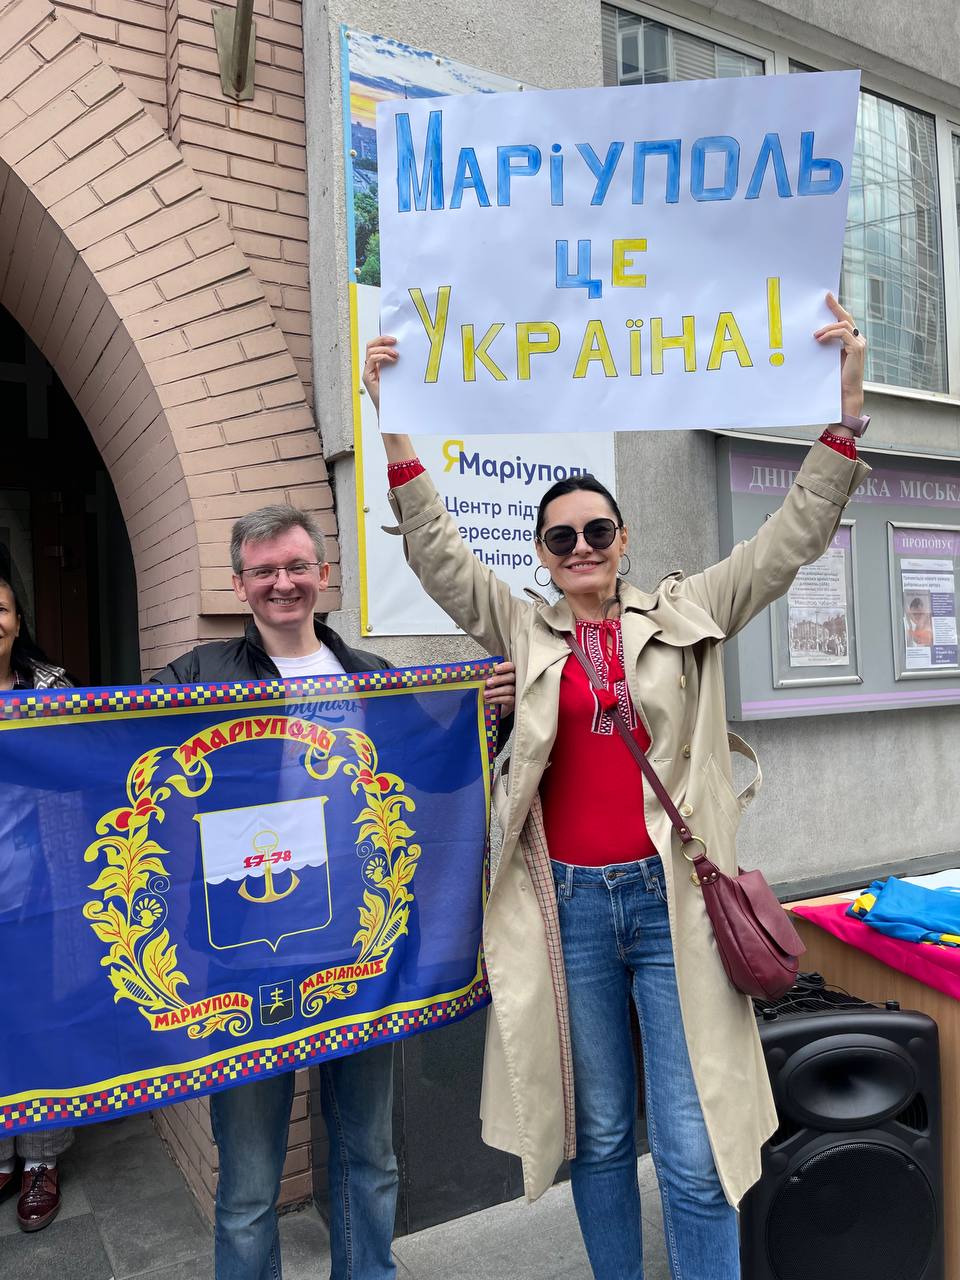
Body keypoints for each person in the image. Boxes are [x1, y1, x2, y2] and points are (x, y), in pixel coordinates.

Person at [362, 292, 869, 1280]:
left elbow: (792, 538)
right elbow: (439, 557)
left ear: (624, 539)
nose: (582, 547)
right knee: (598, 1134)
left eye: (597, 529)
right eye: (561, 538)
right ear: (543, 556)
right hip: (573, 912)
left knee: (690, 1144)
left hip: (673, 903)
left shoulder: (690, 609)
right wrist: (395, 426)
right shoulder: (522, 627)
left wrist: (843, 419)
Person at [152, 504, 515, 1280]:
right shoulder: (193, 676)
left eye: (295, 566)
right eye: (263, 571)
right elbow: (126, 755)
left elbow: (432, 773)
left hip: (360, 945)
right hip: (245, 956)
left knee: (370, 1156)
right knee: (249, 1185)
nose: (281, 583)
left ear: (323, 574)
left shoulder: (372, 676)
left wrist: (487, 718)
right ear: (239, 584)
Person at [0, 574, 74, 1231]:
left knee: (40, 1025)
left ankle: (40, 1161)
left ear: (18, 621)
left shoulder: (51, 692)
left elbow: (89, 769)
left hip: (36, 891)